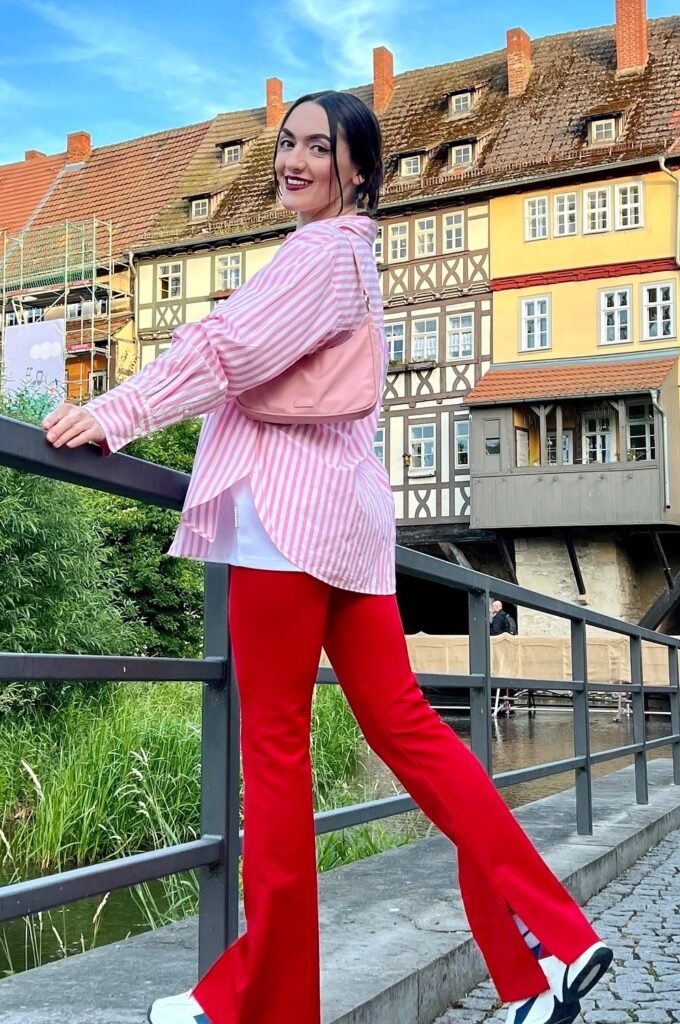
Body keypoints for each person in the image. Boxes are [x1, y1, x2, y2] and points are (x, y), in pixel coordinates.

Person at [43, 91, 613, 1024]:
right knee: (414, 734)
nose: (294, 159)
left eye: (320, 147)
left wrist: (113, 412)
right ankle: (552, 938)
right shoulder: (356, 262)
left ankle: (267, 1007)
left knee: (274, 760)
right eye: (288, 143)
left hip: (283, 524)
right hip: (349, 529)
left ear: (358, 169)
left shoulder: (316, 253)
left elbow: (222, 349)